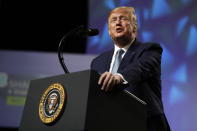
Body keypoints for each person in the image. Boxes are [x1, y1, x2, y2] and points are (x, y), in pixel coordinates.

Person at [91, 6, 171, 131]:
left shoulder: (149, 49)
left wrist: (119, 77)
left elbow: (141, 68)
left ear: (134, 26)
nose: (117, 22)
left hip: (146, 124)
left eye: (123, 19)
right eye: (113, 20)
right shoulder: (97, 62)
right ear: (108, 30)